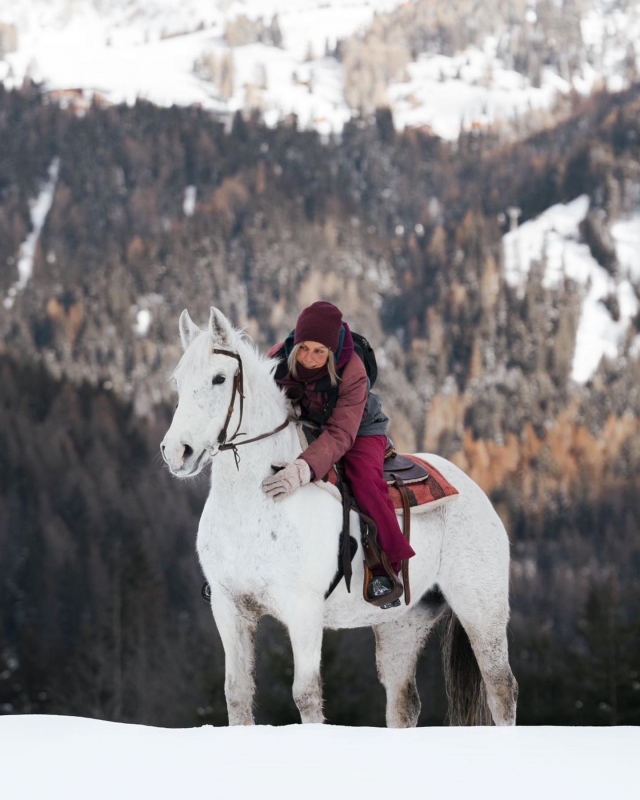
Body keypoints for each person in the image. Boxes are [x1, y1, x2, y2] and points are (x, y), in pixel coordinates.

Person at [262, 300, 415, 606]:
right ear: (295, 342)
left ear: (332, 353)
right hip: (307, 422)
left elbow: (341, 433)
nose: (309, 358)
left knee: (365, 482)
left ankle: (385, 567)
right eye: (304, 348)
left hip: (358, 429)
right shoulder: (276, 359)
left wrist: (303, 468)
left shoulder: (353, 372)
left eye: (320, 352)